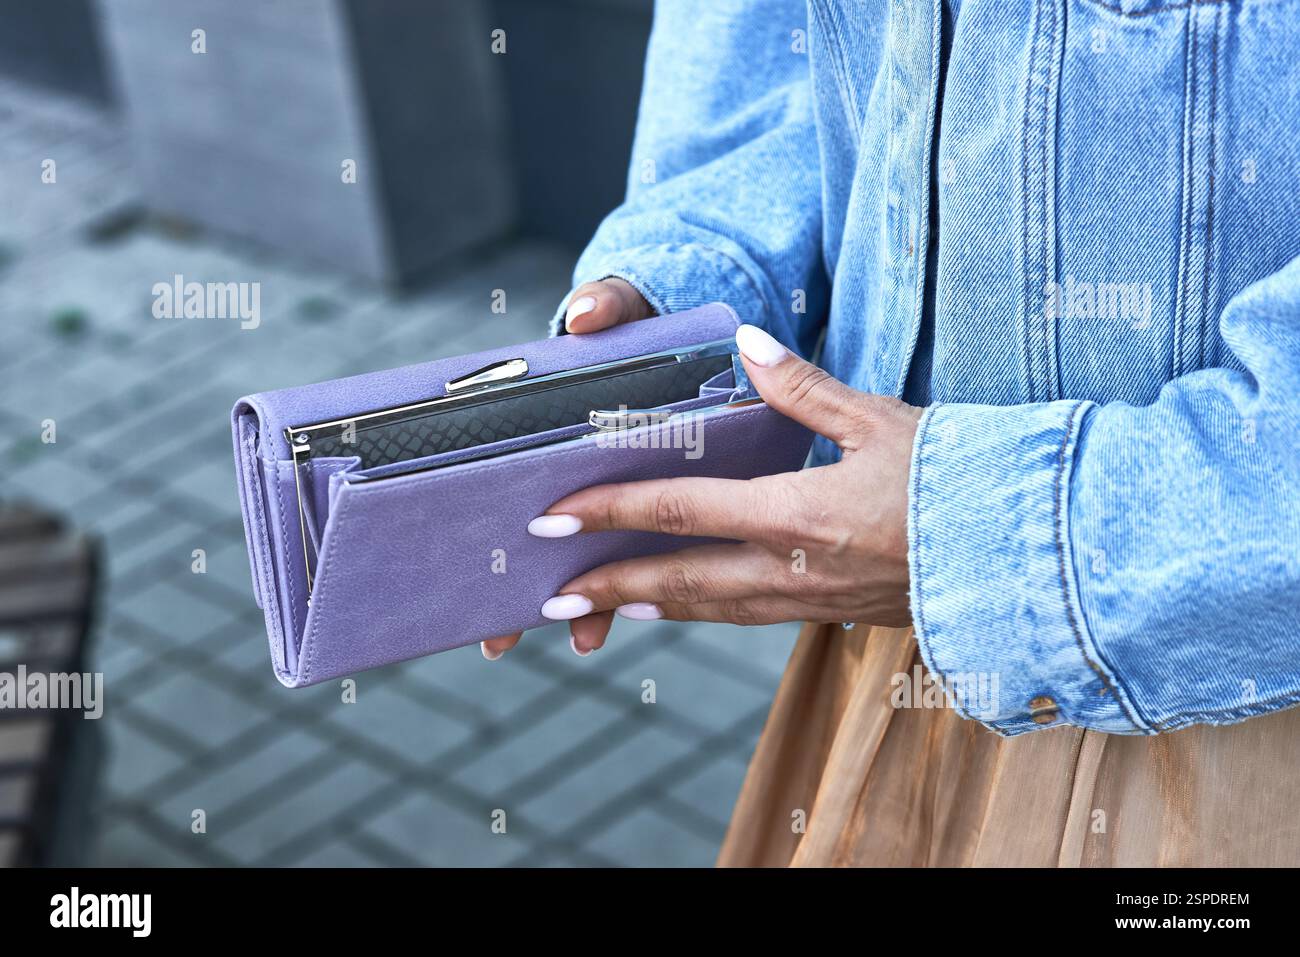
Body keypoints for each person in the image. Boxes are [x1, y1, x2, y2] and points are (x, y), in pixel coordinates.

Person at [483, 0, 1300, 866]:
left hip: (1238, 713)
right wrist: (677, 304)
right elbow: (792, 58)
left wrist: (985, 532)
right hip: (886, 636)